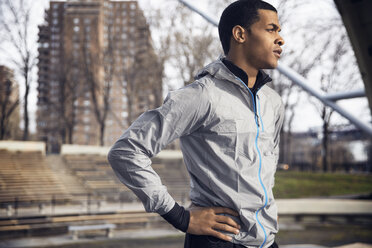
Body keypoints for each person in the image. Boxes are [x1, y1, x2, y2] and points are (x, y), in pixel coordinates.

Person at [108, 0, 285, 247]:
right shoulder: (202, 96)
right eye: (271, 29)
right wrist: (179, 217)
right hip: (218, 241)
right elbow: (126, 151)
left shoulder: (273, 102)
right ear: (240, 34)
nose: (280, 39)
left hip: (267, 242)